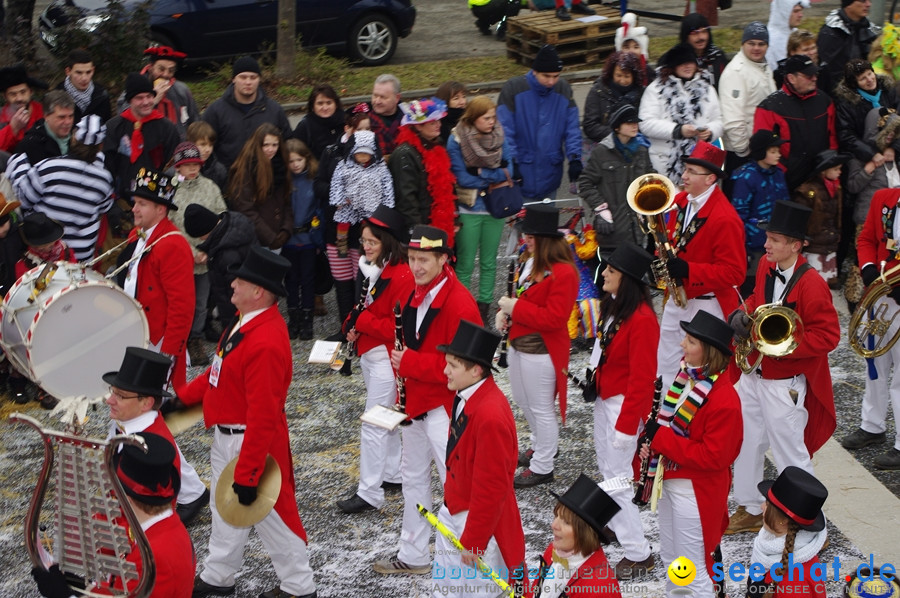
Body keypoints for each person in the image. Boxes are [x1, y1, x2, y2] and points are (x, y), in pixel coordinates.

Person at [179, 246, 317, 598]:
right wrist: (180, 398)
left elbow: (264, 414)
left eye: (241, 281)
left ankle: (300, 587)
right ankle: (218, 576)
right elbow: (217, 371)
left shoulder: (266, 341)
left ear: (259, 291)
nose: (233, 284)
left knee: (274, 515)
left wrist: (250, 472)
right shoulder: (243, 322)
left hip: (252, 443)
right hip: (229, 438)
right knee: (223, 510)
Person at [372, 225, 480, 575]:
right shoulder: (413, 293)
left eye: (423, 260)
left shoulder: (460, 301)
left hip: (445, 409)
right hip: (417, 406)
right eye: (412, 259)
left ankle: (469, 564)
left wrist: (410, 364)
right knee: (413, 480)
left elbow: (469, 365)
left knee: (457, 488)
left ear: (444, 259)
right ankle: (414, 554)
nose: (415, 267)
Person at [727, 200, 839, 535]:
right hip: (753, 375)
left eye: (774, 239)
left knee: (791, 453)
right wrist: (743, 313)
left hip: (783, 382)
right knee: (746, 441)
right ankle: (749, 506)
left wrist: (782, 348)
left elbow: (829, 335)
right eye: (768, 238)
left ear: (795, 244)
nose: (766, 244)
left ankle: (805, 523)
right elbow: (758, 299)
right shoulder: (765, 264)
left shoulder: (812, 283)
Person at [641, 311, 743, 598]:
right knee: (672, 562)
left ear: (709, 352)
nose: (682, 345)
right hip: (672, 480)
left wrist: (660, 439)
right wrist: (650, 441)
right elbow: (667, 425)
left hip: (696, 492)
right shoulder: (686, 375)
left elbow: (714, 458)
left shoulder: (725, 400)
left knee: (692, 569)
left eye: (690, 341)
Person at [30, 432, 195, 597]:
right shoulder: (162, 527)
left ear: (126, 498)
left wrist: (62, 595)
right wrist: (77, 585)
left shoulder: (153, 559)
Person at [433, 320, 524, 597]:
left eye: (453, 365)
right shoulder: (467, 394)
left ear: (476, 370)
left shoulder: (490, 416)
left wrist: (474, 540)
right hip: (456, 510)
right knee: (449, 587)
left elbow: (492, 487)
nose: (445, 370)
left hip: (477, 523)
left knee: (478, 591)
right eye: (447, 362)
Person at [497, 203, 578, 488]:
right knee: (523, 401)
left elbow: (555, 318)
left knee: (541, 408)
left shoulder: (565, 272)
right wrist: (505, 314)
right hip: (520, 343)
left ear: (545, 239)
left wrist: (515, 308)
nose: (525, 240)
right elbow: (521, 297)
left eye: (530, 237)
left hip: (542, 351)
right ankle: (539, 445)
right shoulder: (529, 261)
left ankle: (544, 465)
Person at [337, 205, 411, 513]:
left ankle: (369, 492)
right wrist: (352, 328)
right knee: (387, 422)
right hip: (372, 354)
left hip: (387, 360)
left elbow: (400, 327)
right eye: (363, 241)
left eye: (371, 242)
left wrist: (362, 323)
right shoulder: (374, 267)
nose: (365, 248)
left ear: (388, 242)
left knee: (374, 424)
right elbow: (362, 310)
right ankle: (392, 474)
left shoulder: (403, 274)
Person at [590, 243, 657, 579]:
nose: (603, 274)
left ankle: (638, 552)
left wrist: (628, 426)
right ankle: (616, 525)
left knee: (617, 481)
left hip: (622, 408)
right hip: (607, 400)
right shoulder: (616, 307)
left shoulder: (643, 320)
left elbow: (643, 380)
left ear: (626, 279)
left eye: (611, 271)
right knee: (607, 471)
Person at [655, 142, 746, 392]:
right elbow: (671, 240)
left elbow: (734, 273)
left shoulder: (726, 218)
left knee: (700, 371)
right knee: (665, 364)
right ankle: (661, 418)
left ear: (710, 178)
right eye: (686, 169)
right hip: (677, 298)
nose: (683, 176)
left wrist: (689, 270)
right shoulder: (681, 201)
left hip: (707, 305)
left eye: (692, 171)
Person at [102, 346, 210, 525]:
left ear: (146, 403)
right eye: (112, 391)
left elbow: (144, 520)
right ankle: (194, 494)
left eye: (120, 396)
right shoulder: (126, 422)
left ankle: (194, 495)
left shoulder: (147, 449)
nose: (109, 400)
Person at [114, 169, 195, 393]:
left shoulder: (173, 245)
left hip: (157, 342)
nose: (134, 209)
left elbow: (182, 306)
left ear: (161, 209)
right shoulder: (137, 235)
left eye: (142, 204)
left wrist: (168, 354)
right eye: (135, 202)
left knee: (150, 408)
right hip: (136, 334)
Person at [7, 114, 114, 261]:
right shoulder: (105, 179)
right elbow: (104, 208)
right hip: (82, 259)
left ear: (74, 137)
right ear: (101, 146)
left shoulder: (49, 167)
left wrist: (17, 163)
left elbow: (23, 199)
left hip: (45, 256)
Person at [846, 185, 900, 470]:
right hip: (879, 294)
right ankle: (872, 425)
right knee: (874, 365)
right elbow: (866, 238)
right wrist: (867, 267)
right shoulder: (884, 198)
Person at [447, 95, 512, 322]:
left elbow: (509, 171)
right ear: (473, 119)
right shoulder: (456, 139)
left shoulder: (500, 135)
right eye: (486, 118)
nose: (492, 122)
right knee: (464, 264)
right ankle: (462, 308)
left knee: (489, 261)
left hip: (495, 208)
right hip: (469, 208)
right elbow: (462, 178)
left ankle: (483, 308)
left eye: (493, 117)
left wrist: (482, 174)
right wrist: (495, 179)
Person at [167, 141, 227, 366]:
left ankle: (195, 338)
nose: (192, 168)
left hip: (204, 257)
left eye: (196, 164)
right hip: (178, 258)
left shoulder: (210, 186)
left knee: (200, 303)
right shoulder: (170, 188)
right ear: (177, 167)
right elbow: (167, 224)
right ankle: (175, 340)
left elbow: (222, 216)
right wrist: (189, 250)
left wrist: (207, 248)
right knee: (178, 302)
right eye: (187, 164)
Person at [497, 45, 582, 201]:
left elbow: (572, 128)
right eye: (546, 76)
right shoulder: (514, 88)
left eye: (556, 76)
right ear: (534, 71)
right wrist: (511, 162)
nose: (551, 81)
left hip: (551, 174)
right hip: (522, 173)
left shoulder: (563, 89)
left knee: (547, 224)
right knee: (523, 224)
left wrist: (575, 158)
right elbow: (505, 130)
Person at [330, 129, 395, 327]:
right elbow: (336, 187)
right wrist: (341, 200)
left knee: (368, 267)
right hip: (348, 211)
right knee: (343, 226)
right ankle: (346, 323)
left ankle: (365, 320)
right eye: (359, 153)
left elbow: (388, 191)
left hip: (371, 214)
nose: (363, 157)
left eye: (367, 153)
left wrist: (385, 210)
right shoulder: (343, 167)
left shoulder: (381, 169)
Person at [523, 475, 623, 597]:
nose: (554, 525)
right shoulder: (553, 551)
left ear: (585, 532)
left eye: (566, 522)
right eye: (556, 516)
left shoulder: (599, 588)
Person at [315, 105, 372, 317]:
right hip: (337, 228)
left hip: (363, 230)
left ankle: (362, 327)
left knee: (363, 281)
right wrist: (339, 193)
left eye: (369, 129)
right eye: (360, 129)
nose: (365, 135)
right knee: (342, 281)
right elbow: (318, 185)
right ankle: (345, 326)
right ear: (347, 129)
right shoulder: (331, 152)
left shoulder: (373, 155)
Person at [639, 43, 722, 185]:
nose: (687, 66)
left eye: (690, 62)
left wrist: (710, 132)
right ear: (673, 66)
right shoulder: (656, 90)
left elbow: (719, 120)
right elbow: (645, 123)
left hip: (698, 163)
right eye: (682, 63)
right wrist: (678, 130)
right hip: (664, 163)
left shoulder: (707, 89)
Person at [754, 55, 838, 192]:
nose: (815, 78)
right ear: (791, 78)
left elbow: (832, 138)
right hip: (787, 182)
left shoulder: (825, 101)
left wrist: (831, 166)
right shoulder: (769, 108)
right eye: (808, 75)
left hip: (821, 177)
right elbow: (763, 150)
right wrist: (782, 174)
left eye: (815, 74)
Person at [578, 103, 651, 253]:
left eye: (635, 122)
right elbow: (585, 183)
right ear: (617, 127)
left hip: (639, 231)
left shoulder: (641, 151)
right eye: (629, 123)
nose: (634, 126)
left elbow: (649, 178)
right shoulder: (601, 152)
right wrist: (601, 210)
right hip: (614, 231)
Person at [745, 467, 829, 598]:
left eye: (767, 504)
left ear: (783, 521)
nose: (761, 507)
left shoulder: (794, 586)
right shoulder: (774, 552)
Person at [201, 56, 292, 169]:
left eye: (253, 77)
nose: (248, 82)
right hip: (229, 179)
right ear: (233, 79)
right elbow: (203, 145)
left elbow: (287, 144)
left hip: (266, 178)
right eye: (243, 77)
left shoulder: (274, 110)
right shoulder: (215, 111)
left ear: (259, 79)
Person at [731, 129, 790, 296]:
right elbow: (739, 216)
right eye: (773, 151)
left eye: (778, 151)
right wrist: (746, 244)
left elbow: (784, 204)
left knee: (775, 287)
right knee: (753, 288)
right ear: (760, 152)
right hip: (754, 245)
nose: (778, 155)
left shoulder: (778, 174)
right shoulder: (745, 177)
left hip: (778, 241)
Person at [104, 73, 180, 201]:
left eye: (149, 96)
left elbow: (174, 163)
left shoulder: (167, 128)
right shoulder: (113, 127)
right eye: (139, 98)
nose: (146, 102)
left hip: (154, 198)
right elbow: (107, 165)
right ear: (129, 100)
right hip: (120, 198)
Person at [184, 204, 259, 334]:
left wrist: (230, 329)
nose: (201, 240)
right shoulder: (235, 224)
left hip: (239, 314)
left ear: (205, 230)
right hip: (254, 303)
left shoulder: (225, 255)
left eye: (200, 236)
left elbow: (231, 296)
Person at [390, 97, 456, 241]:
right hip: (421, 230)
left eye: (438, 120)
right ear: (418, 126)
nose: (438, 125)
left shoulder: (436, 146)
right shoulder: (405, 154)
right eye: (432, 122)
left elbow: (446, 187)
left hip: (437, 224)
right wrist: (418, 232)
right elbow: (407, 200)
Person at [718, 23, 776, 175]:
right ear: (743, 44)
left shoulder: (763, 66)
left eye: (761, 44)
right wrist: (744, 150)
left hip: (761, 150)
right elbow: (732, 118)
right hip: (743, 154)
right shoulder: (736, 72)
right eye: (751, 43)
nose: (756, 48)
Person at [228, 123, 293, 251]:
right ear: (257, 145)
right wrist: (270, 237)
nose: (271, 149)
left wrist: (286, 230)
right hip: (256, 241)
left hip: (278, 238)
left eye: (275, 145)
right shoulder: (244, 169)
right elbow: (245, 208)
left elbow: (287, 202)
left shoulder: (281, 165)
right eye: (266, 145)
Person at [282, 138, 321, 340]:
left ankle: (307, 319)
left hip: (308, 239)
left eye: (299, 159)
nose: (295, 164)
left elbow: (318, 210)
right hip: (289, 239)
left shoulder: (313, 180)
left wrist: (316, 234)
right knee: (291, 279)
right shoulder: (285, 181)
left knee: (307, 279)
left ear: (306, 158)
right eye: (291, 161)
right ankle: (293, 317)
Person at [792, 150, 847, 286]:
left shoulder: (836, 188)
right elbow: (800, 219)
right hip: (813, 245)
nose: (839, 172)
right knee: (811, 282)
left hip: (829, 244)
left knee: (825, 285)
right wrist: (802, 237)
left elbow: (836, 215)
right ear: (824, 171)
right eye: (836, 169)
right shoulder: (808, 192)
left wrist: (837, 232)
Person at [834, 59, 899, 169]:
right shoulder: (847, 104)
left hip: (894, 150)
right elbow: (846, 135)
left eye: (870, 74)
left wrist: (894, 147)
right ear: (855, 84)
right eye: (863, 78)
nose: (869, 80)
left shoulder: (888, 89)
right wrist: (871, 154)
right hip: (866, 157)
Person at [130, 45, 199, 140]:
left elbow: (195, 121)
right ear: (151, 68)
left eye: (170, 71)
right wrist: (154, 99)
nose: (166, 75)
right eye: (161, 69)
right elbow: (126, 119)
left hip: (177, 146)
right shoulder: (134, 88)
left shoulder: (182, 90)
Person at [582, 51, 647, 148]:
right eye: (618, 75)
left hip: (635, 144)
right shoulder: (598, 91)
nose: (622, 81)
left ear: (634, 76)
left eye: (627, 76)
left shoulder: (642, 93)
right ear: (611, 73)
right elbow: (590, 125)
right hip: (603, 146)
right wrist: (618, 134)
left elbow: (646, 122)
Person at [817, 0, 880, 94]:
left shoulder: (867, 28)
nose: (868, 4)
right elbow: (829, 73)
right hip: (841, 95)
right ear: (849, 5)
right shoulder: (832, 32)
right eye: (863, 1)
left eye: (869, 0)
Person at [12, 90, 75, 165]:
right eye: (61, 117)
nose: (68, 122)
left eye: (71, 116)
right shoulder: (29, 145)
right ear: (46, 116)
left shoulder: (81, 140)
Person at [0, 64, 47, 153]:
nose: (19, 98)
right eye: (13, 94)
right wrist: (13, 128)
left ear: (30, 92)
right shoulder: (1, 117)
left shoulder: (45, 112)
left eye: (23, 92)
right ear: (5, 97)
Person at [15, 211, 76, 279]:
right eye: (42, 248)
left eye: (51, 246)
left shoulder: (66, 252)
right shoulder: (24, 265)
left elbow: (75, 273)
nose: (47, 249)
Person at [57, 48, 111, 124]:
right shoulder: (56, 97)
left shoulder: (102, 95)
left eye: (88, 72)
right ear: (68, 71)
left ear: (93, 70)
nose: (84, 78)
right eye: (79, 73)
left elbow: (107, 127)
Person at [292, 84, 344, 161]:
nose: (325, 108)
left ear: (336, 104)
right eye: (320, 103)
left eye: (329, 103)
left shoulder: (346, 121)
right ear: (312, 106)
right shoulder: (305, 126)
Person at [679, 14, 727, 87]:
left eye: (704, 31)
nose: (701, 37)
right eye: (695, 33)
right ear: (685, 36)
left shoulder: (717, 56)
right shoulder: (677, 60)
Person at [767, 0, 810, 72]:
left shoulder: (795, 33)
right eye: (796, 11)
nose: (800, 15)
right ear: (784, 13)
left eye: (801, 11)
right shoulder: (770, 40)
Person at [186, 121, 227, 193]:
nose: (207, 150)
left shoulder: (219, 171)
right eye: (202, 144)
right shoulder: (176, 171)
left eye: (210, 145)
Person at [368, 74, 404, 156]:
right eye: (375, 96)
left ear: (397, 98)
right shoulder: (364, 123)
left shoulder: (411, 119)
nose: (377, 101)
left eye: (383, 97)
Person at [614, 13, 652, 84]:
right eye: (626, 47)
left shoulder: (649, 73)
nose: (631, 51)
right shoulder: (613, 71)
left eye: (636, 47)